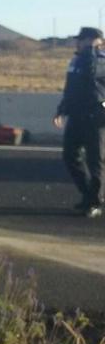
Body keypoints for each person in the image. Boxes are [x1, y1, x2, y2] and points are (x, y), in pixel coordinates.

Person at [54, 26, 105, 218]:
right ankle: (87, 194)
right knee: (70, 156)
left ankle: (95, 202)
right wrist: (61, 110)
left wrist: (93, 50)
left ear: (92, 40)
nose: (78, 42)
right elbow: (70, 88)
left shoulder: (100, 60)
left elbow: (92, 74)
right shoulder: (75, 60)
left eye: (82, 39)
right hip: (76, 115)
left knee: (96, 161)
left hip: (96, 116)